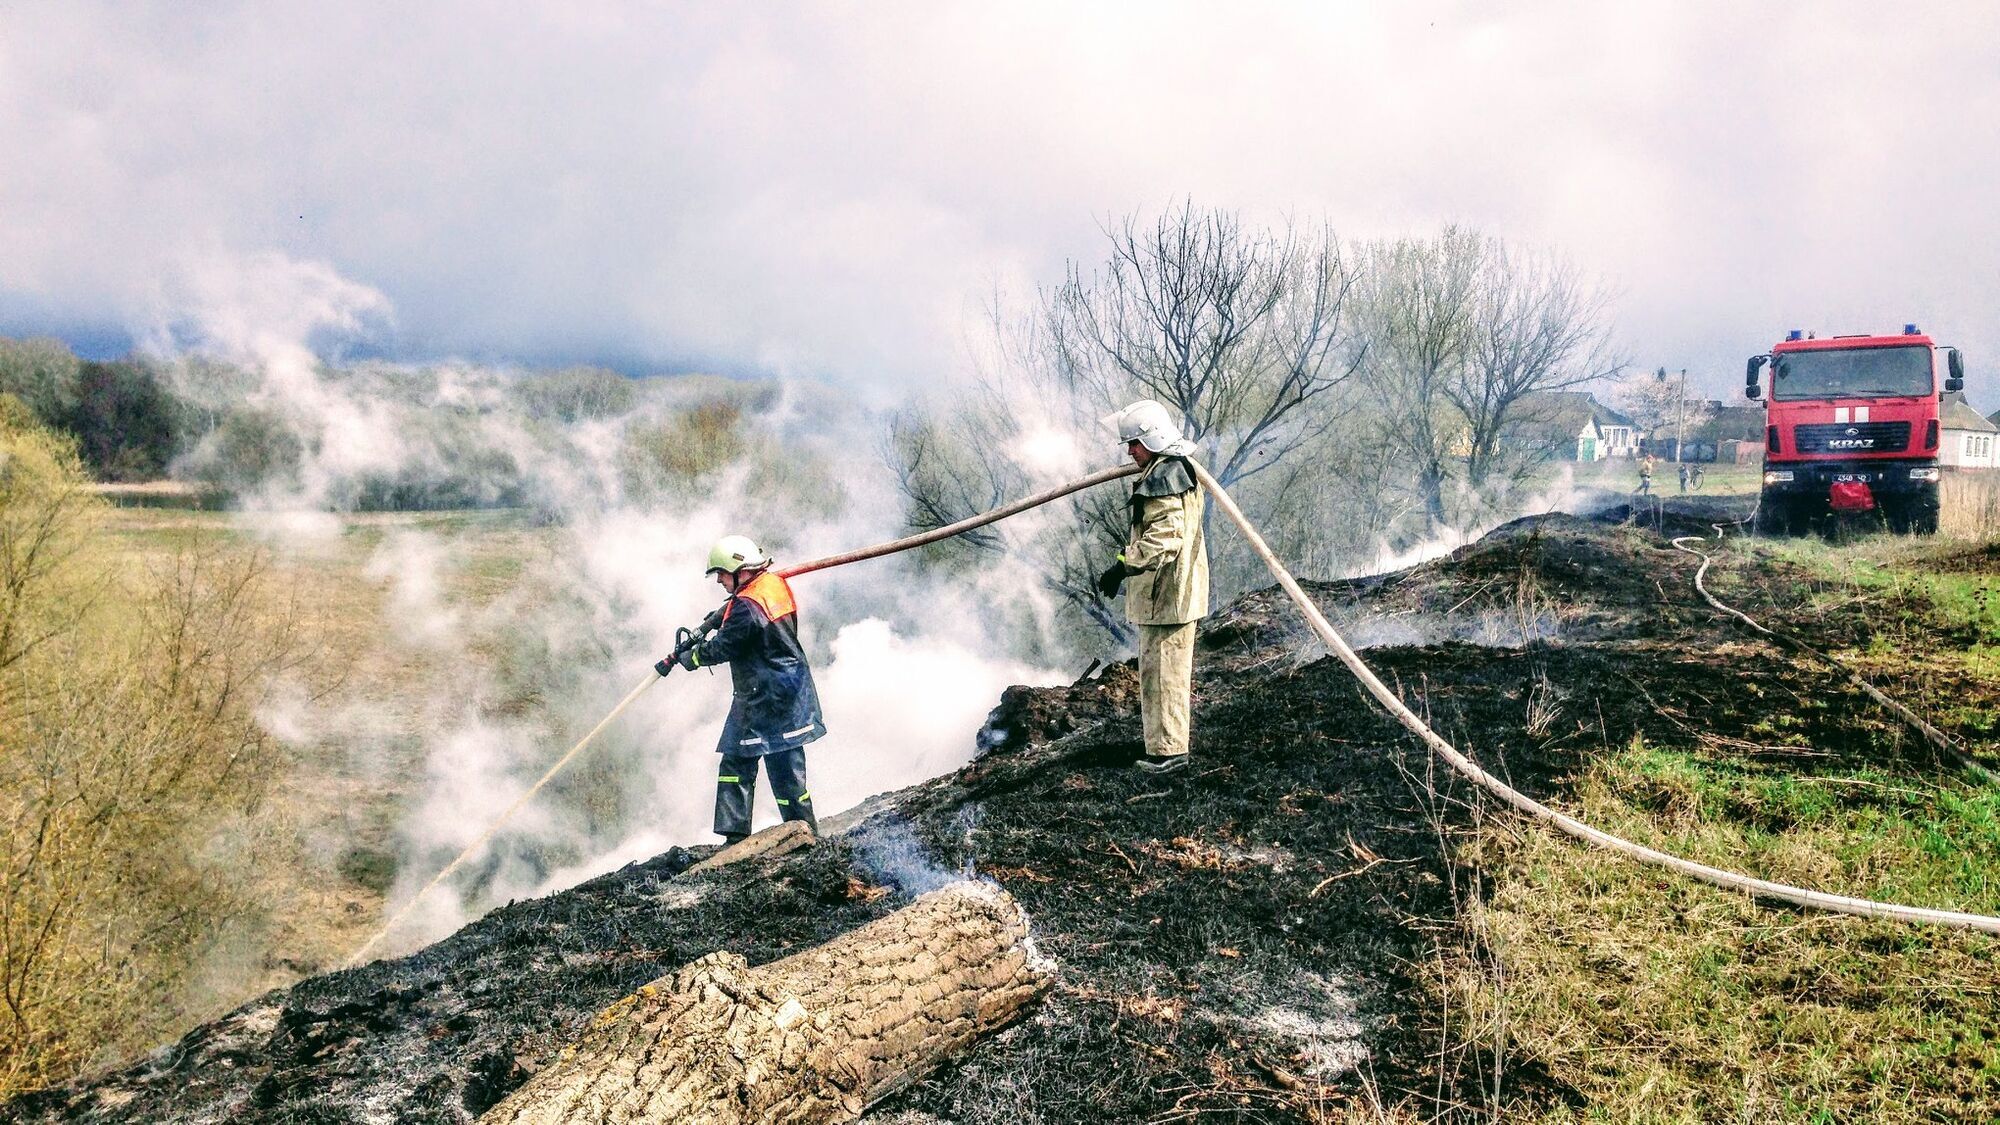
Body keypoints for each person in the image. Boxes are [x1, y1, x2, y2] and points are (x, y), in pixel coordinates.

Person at [661, 535, 825, 844]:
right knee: (786, 766)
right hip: (789, 690)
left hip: (762, 695)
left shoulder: (747, 605)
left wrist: (692, 657)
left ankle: (734, 838)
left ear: (740, 569)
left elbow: (725, 646)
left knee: (736, 760)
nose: (720, 580)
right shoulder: (773, 586)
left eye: (722, 573)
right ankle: (804, 831)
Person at [1096, 400, 1209, 773]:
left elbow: (1164, 539)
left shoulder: (1164, 476)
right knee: (1161, 673)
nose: (1130, 452)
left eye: (1134, 444)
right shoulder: (1176, 468)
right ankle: (1164, 745)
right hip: (1172, 593)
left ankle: (1168, 754)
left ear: (1153, 440)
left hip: (1168, 594)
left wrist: (1123, 564)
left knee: (1163, 676)